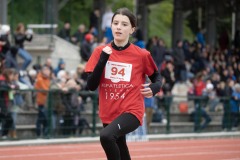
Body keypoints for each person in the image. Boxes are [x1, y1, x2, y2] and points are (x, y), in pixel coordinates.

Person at [85, 8, 162, 160]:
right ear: (111, 26)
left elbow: (157, 78)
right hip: (109, 111)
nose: (119, 27)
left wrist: (154, 88)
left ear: (132, 29)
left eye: (124, 24)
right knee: (121, 148)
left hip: (131, 110)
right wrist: (103, 59)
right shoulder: (100, 51)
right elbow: (91, 85)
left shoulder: (142, 54)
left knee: (107, 137)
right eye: (115, 23)